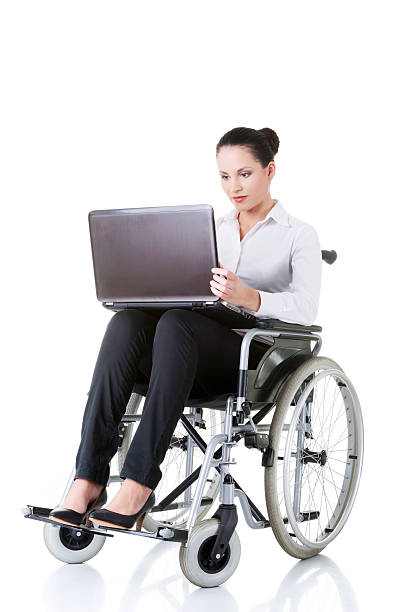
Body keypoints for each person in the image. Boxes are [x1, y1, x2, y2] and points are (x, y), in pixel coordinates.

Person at [49, 126, 322, 531]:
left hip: (254, 354)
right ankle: (88, 478)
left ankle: (139, 483)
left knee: (179, 324)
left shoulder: (299, 235)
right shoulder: (215, 229)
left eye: (245, 174)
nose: (235, 187)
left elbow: (304, 309)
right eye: (225, 176)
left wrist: (250, 297)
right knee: (127, 322)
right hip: (185, 344)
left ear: (270, 170)